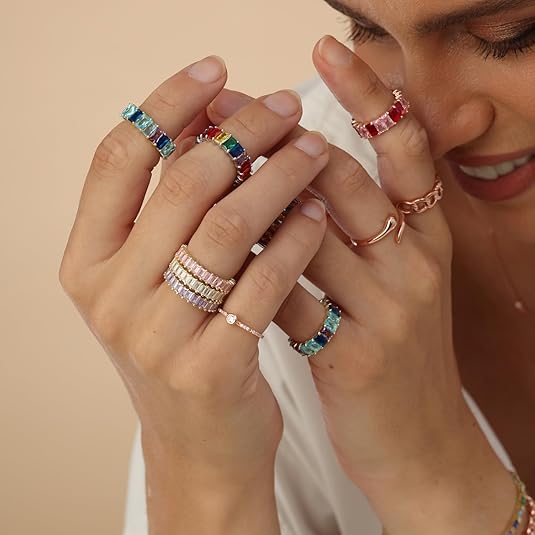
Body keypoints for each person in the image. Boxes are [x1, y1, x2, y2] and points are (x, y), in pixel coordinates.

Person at [59, 0, 535, 533]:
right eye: (367, 28)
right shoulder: (278, 241)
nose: (432, 128)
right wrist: (202, 471)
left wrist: (435, 479)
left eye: (513, 35)